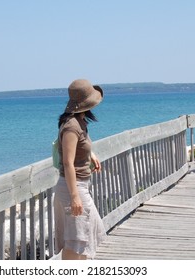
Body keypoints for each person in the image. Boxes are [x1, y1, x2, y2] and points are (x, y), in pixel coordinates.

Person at [54, 79, 106, 260]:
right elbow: (68, 163)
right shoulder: (71, 126)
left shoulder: (80, 121)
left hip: (79, 185)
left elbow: (78, 147)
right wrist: (74, 196)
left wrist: (90, 154)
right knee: (76, 242)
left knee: (85, 236)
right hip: (72, 187)